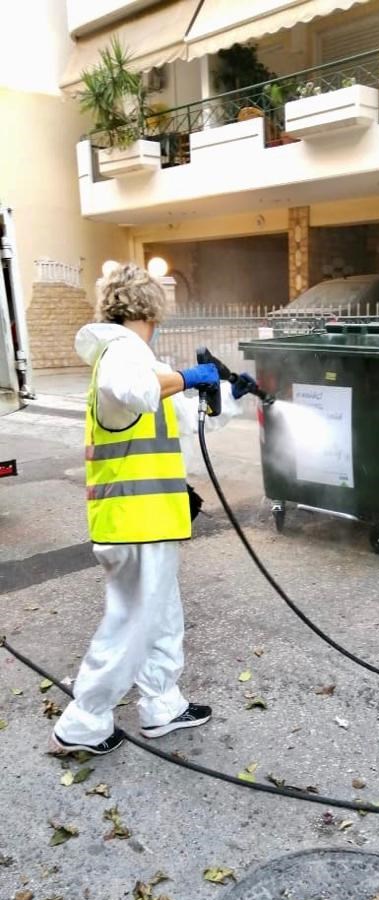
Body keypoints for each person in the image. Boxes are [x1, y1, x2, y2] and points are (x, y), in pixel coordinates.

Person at [51, 263, 254, 755]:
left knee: (160, 616)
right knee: (132, 625)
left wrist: (228, 396)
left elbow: (181, 418)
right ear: (152, 312)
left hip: (150, 522)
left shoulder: (140, 361)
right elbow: (138, 392)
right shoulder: (121, 354)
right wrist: (187, 376)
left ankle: (162, 704)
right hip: (132, 522)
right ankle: (84, 721)